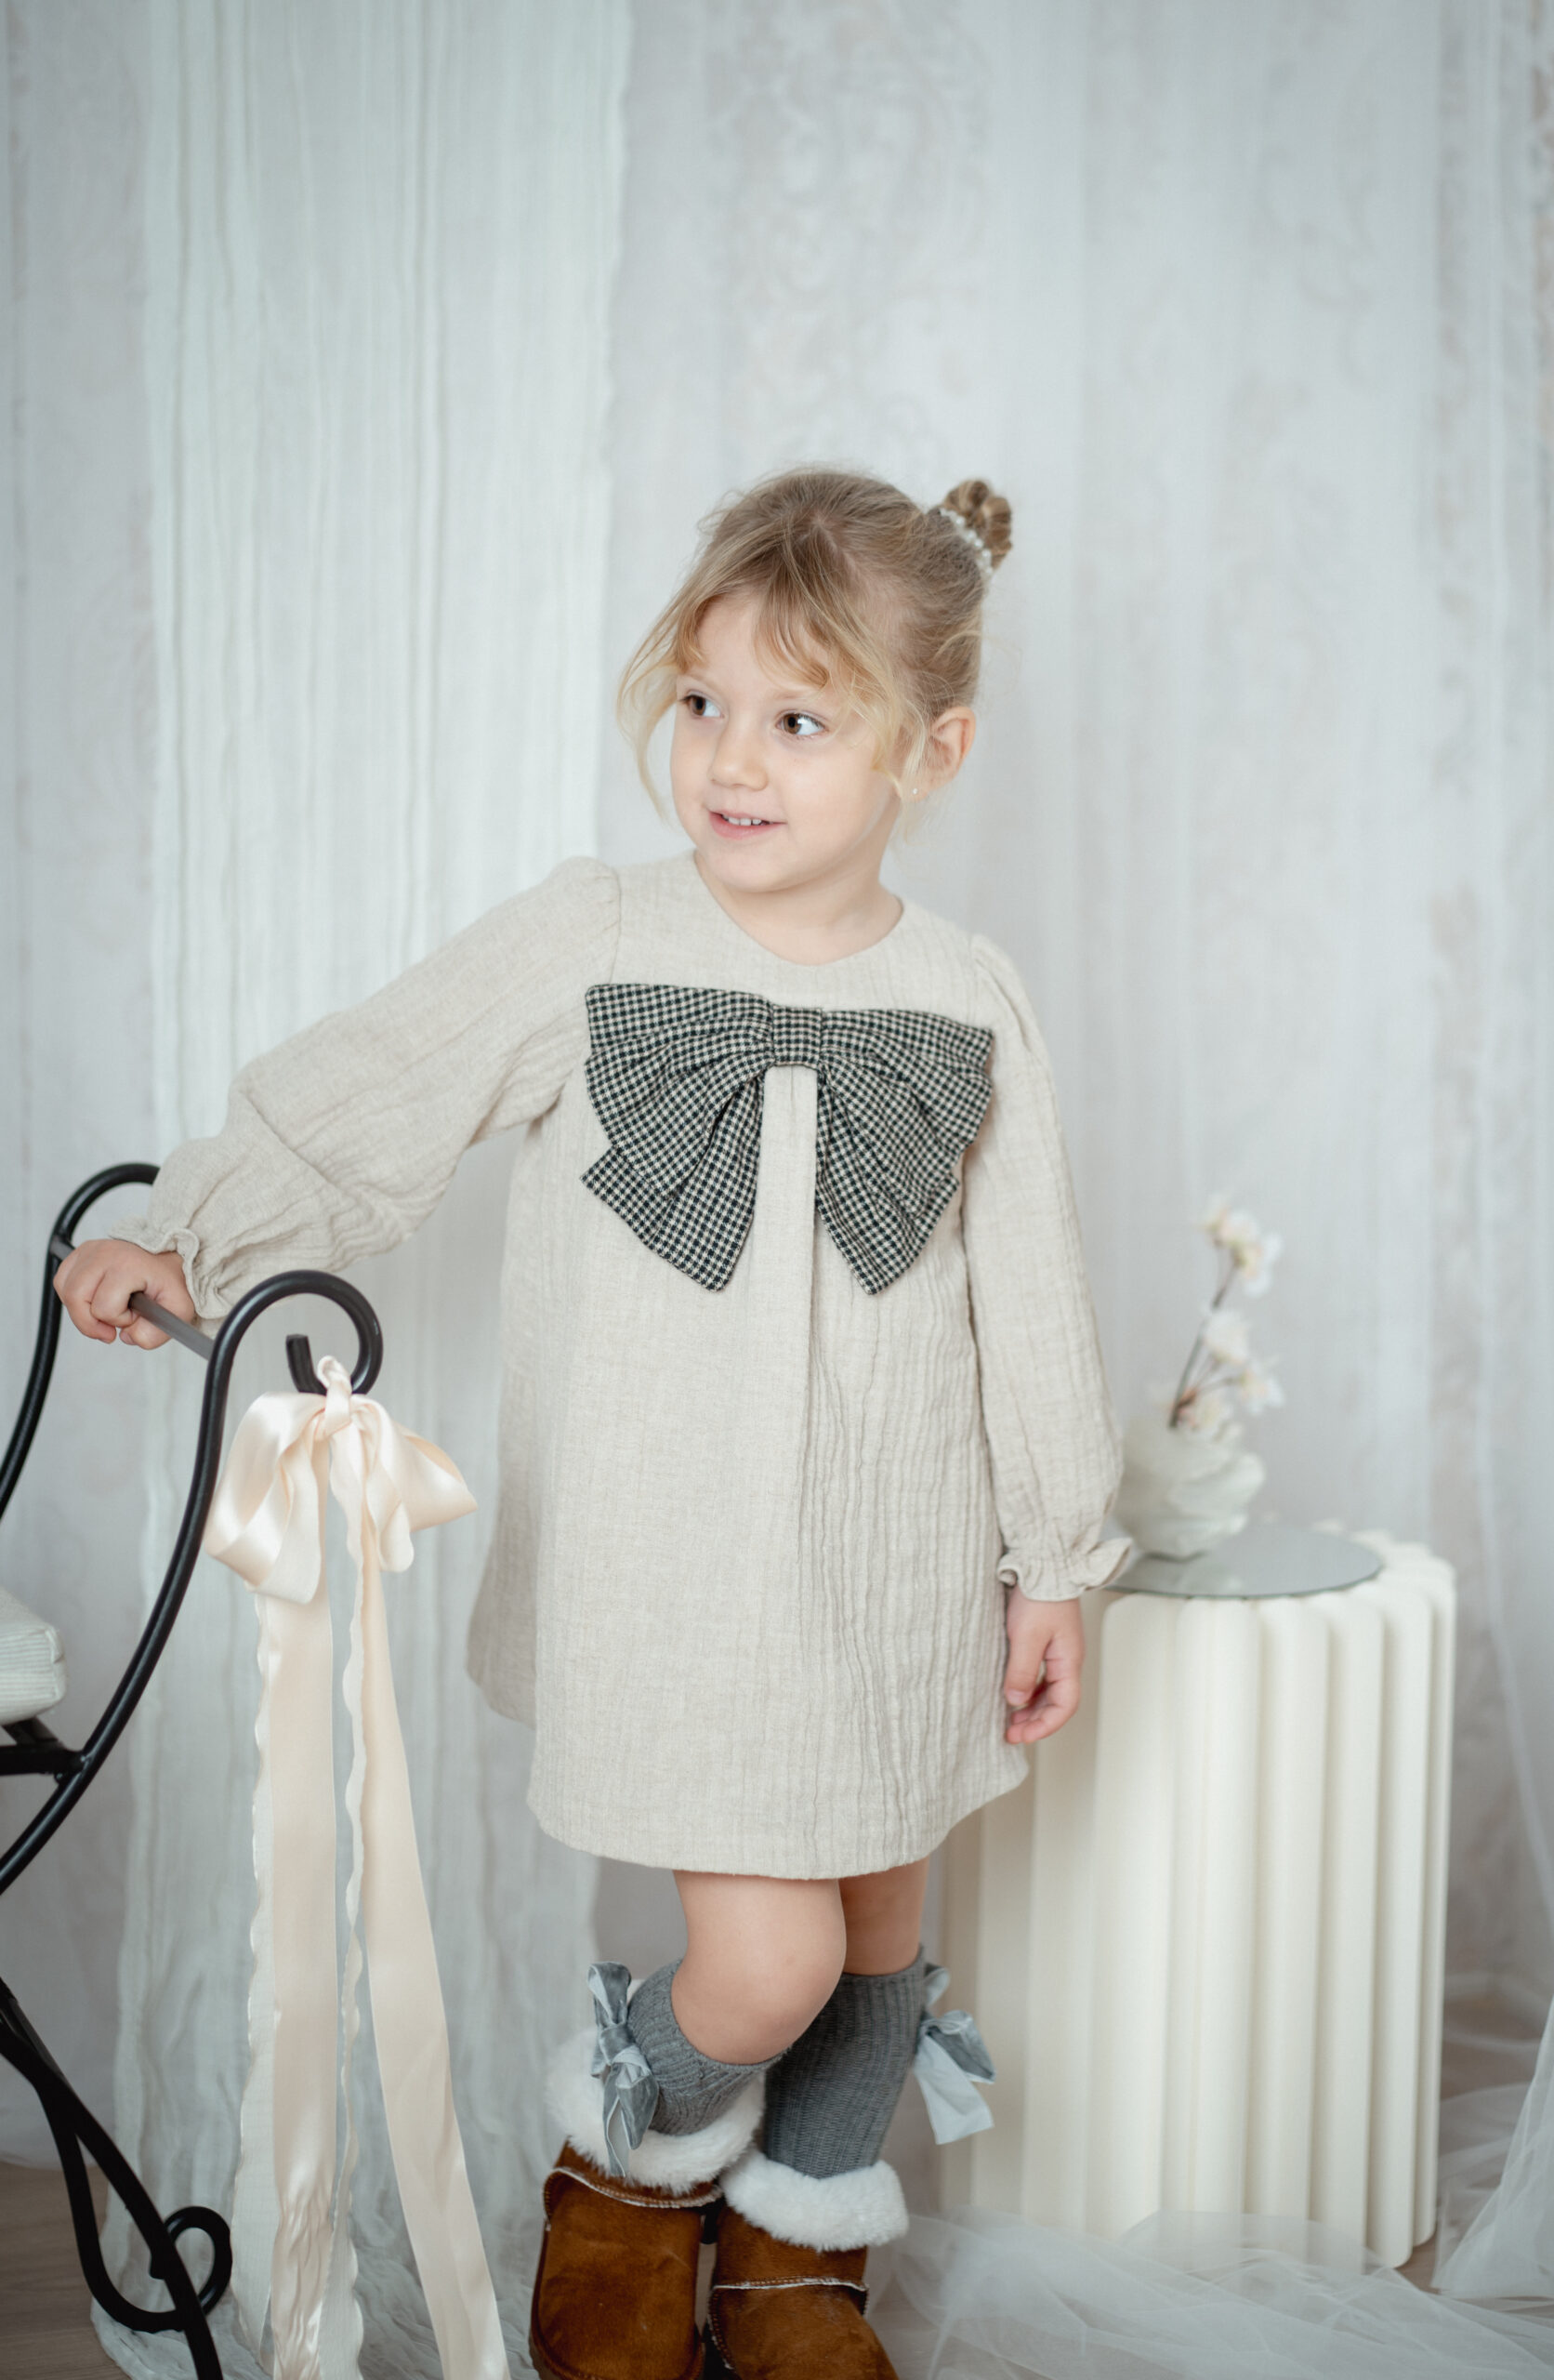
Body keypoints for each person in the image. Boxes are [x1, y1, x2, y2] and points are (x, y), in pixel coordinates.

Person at [55, 468, 1126, 2380]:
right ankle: (618, 2177)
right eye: (703, 700)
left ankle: (795, 2268)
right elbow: (375, 1090)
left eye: (799, 720)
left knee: (880, 1921)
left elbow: (1029, 1300)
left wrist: (1051, 1559)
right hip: (677, 1558)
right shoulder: (597, 938)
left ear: (930, 749)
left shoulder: (966, 995)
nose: (732, 757)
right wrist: (195, 1229)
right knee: (772, 1957)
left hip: (894, 1564)